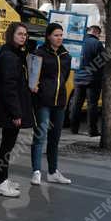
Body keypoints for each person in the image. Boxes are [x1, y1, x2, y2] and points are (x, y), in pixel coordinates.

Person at [0, 22, 34, 197]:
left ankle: (3, 179)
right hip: (9, 110)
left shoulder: (14, 53)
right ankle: (0, 183)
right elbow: (9, 87)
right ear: (11, 35)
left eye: (25, 34)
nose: (24, 37)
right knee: (6, 147)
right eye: (20, 34)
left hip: (8, 108)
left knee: (7, 145)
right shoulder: (10, 56)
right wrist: (16, 113)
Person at [29, 23, 73, 186]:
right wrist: (39, 91)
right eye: (56, 35)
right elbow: (32, 78)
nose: (59, 38)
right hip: (43, 102)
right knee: (40, 137)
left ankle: (53, 172)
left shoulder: (66, 55)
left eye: (61, 35)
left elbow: (65, 77)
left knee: (55, 139)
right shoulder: (39, 54)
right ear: (48, 36)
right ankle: (36, 171)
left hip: (59, 103)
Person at [70, 25, 105, 136]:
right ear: (96, 32)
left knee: (76, 103)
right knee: (92, 105)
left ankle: (74, 128)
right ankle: (92, 130)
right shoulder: (97, 44)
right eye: (99, 34)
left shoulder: (78, 42)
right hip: (92, 79)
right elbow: (103, 60)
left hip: (78, 78)